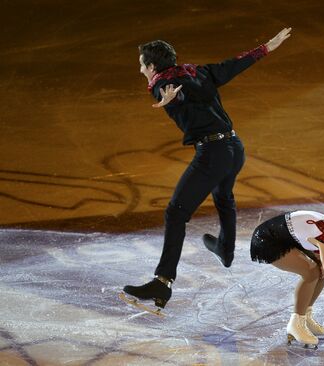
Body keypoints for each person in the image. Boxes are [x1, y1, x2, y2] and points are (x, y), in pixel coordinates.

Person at [123, 28, 292, 310]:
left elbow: (176, 96)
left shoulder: (161, 83)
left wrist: (171, 100)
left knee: (175, 213)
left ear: (152, 66)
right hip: (235, 148)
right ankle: (225, 249)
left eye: (142, 64)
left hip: (212, 153)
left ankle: (162, 283)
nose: (140, 69)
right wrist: (266, 47)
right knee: (223, 196)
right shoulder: (197, 72)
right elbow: (234, 64)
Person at [250, 210, 324, 348]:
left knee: (321, 269)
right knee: (312, 272)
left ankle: (305, 316)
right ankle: (296, 323)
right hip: (268, 239)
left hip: (288, 236)